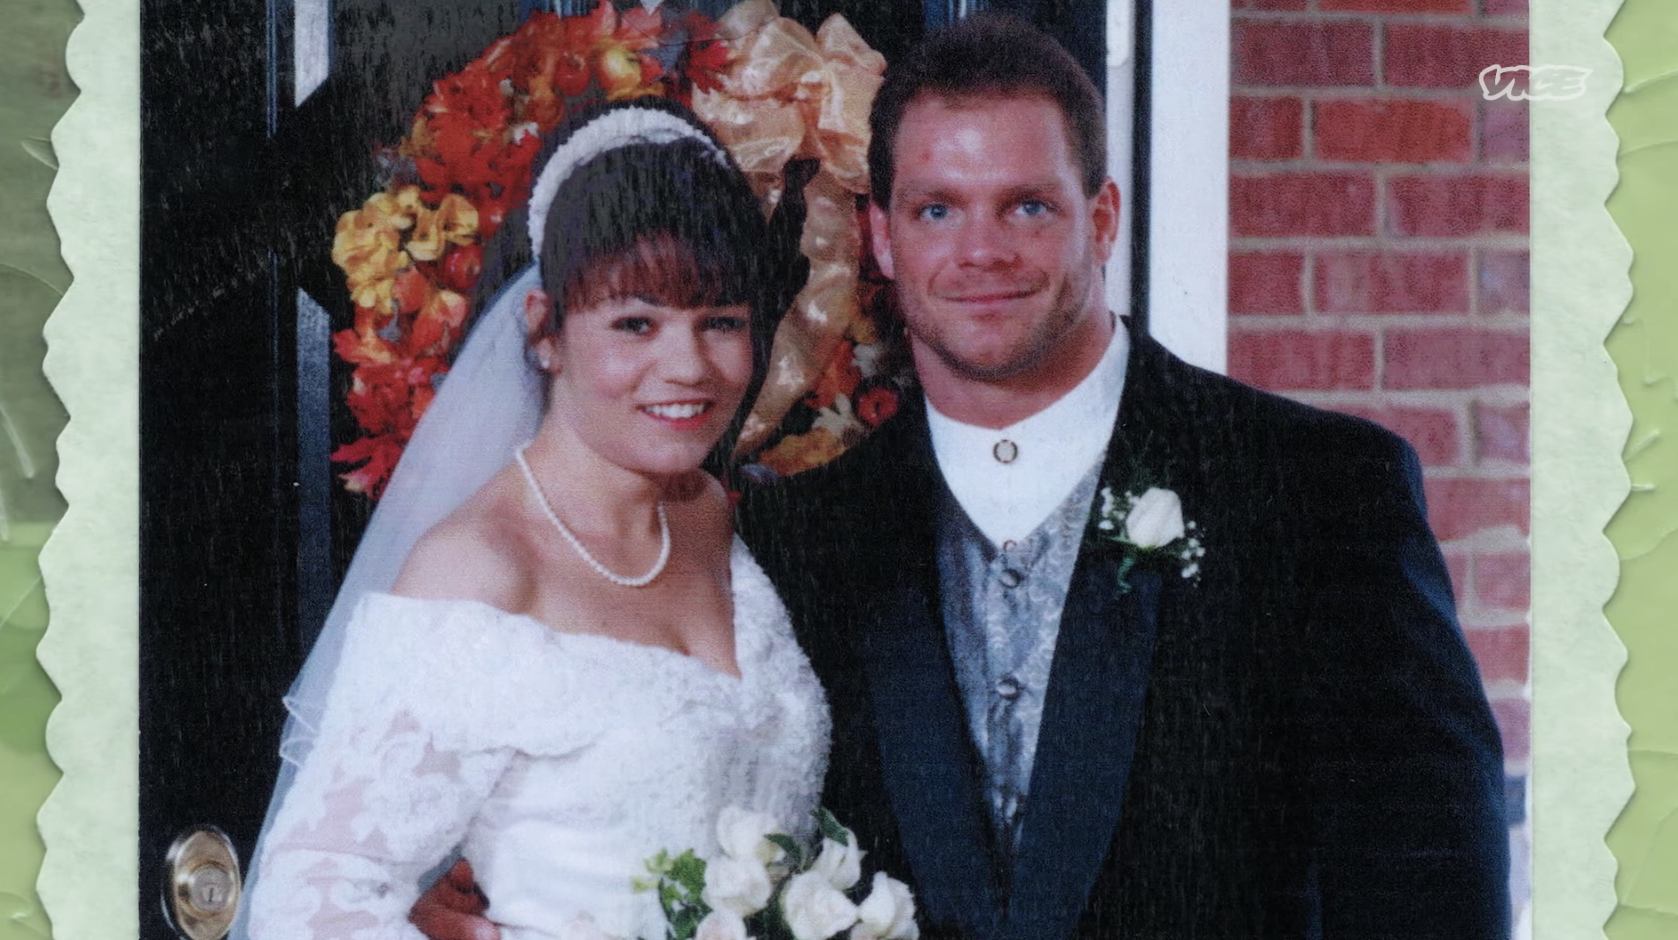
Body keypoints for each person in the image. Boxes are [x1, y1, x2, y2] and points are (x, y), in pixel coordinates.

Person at [415, 14, 1510, 940]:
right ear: (883, 238)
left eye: (1026, 206)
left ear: (1103, 218)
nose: (979, 252)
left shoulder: (1319, 493)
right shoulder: (796, 544)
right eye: (939, 209)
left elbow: (1431, 886)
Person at [241, 98, 830, 940]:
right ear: (546, 330)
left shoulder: (708, 516)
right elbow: (306, 904)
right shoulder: (479, 569)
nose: (688, 366)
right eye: (636, 322)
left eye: (721, 323)